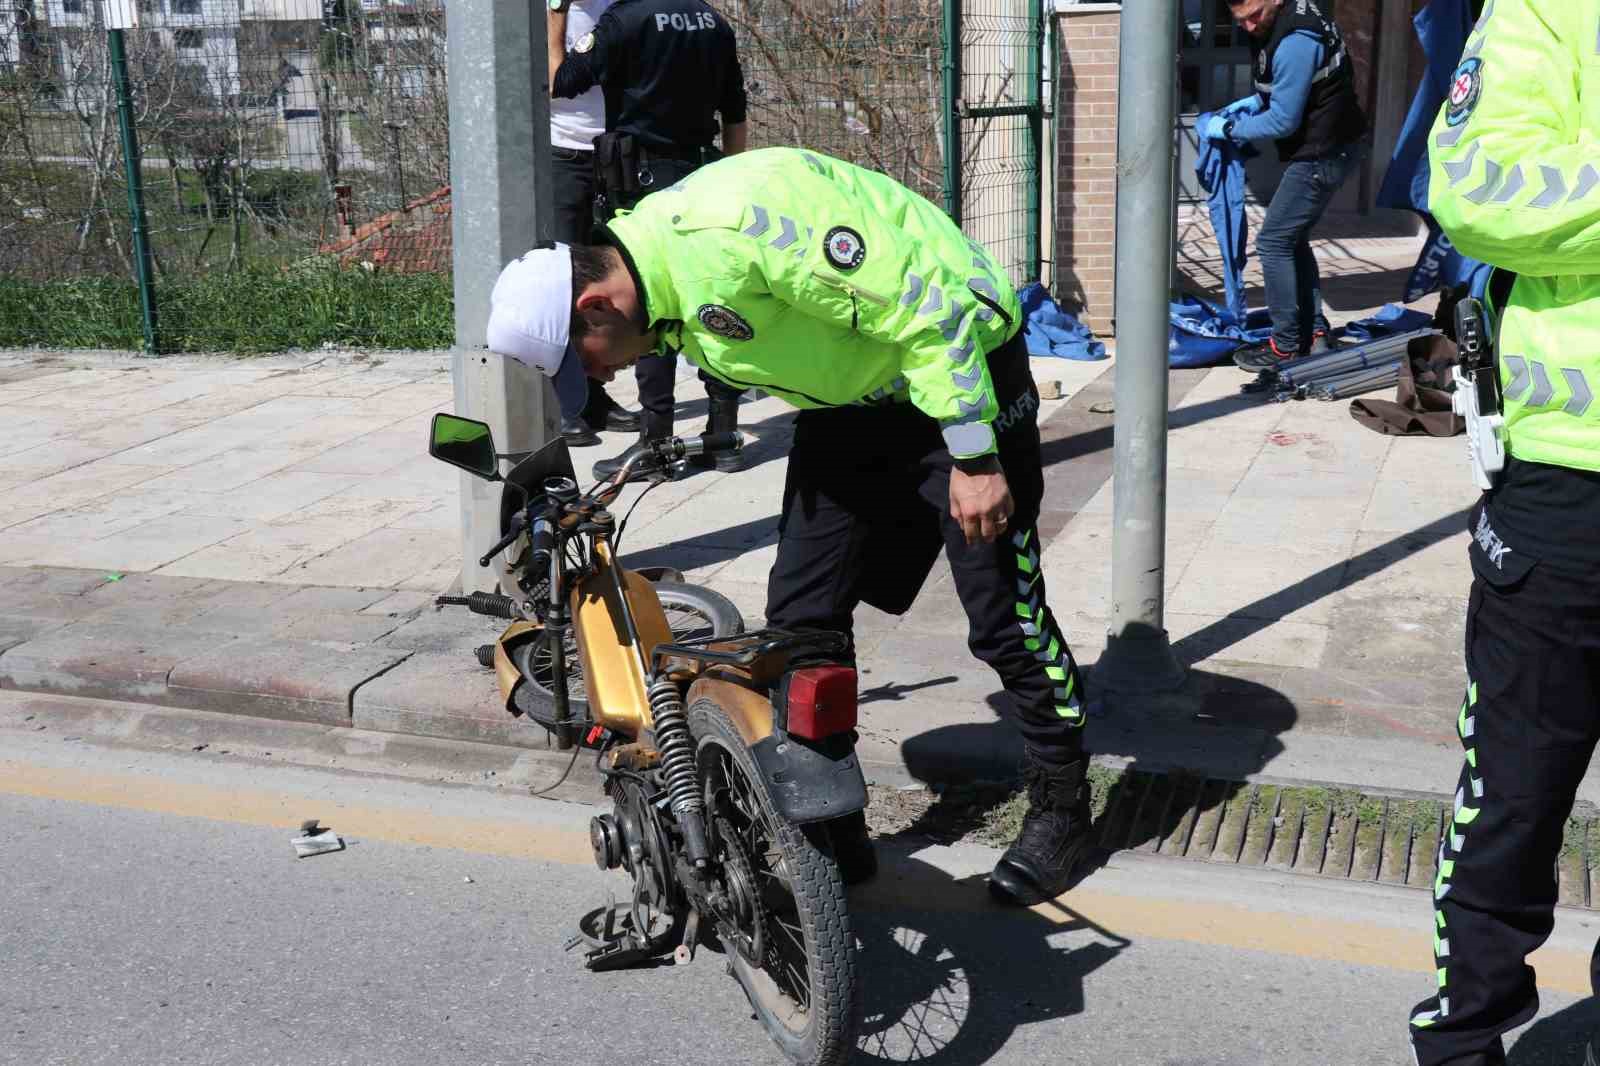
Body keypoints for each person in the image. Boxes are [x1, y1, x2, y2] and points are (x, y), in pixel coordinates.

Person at [484, 147, 1096, 905]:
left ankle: (1065, 803)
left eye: (587, 364)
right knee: (800, 619)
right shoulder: (658, 276)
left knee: (1004, 614)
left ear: (596, 307)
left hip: (958, 377)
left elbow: (928, 309)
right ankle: (830, 830)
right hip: (852, 408)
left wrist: (975, 455)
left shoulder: (742, 226)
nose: (600, 379)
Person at [1404, 2, 1600, 1064]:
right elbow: (1476, 189)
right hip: (1566, 495)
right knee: (1512, 803)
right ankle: (1464, 1040)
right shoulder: (1547, 9)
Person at [549, 0, 750, 477]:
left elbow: (561, 81)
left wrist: (556, 17)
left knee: (650, 299)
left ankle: (656, 442)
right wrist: (729, 178)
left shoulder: (624, 20)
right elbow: (735, 110)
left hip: (640, 182)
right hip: (704, 174)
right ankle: (724, 436)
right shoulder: (710, 19)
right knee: (714, 296)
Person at [1205, 0, 1367, 371]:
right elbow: (1278, 92)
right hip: (1329, 144)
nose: (1247, 27)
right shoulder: (1281, 22)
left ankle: (1285, 346)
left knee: (1273, 241)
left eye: (1253, 16)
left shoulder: (1296, 39)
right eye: (1239, 21)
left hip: (1324, 151)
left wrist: (1231, 128)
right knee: (1291, 238)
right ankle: (1314, 334)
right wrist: (1252, 104)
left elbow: (1282, 121)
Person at [546, 0, 640, 449]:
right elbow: (548, 85)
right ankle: (564, 403)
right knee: (563, 279)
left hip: (617, 151)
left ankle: (594, 395)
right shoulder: (547, 10)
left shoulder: (624, 7)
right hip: (562, 150)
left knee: (608, 275)